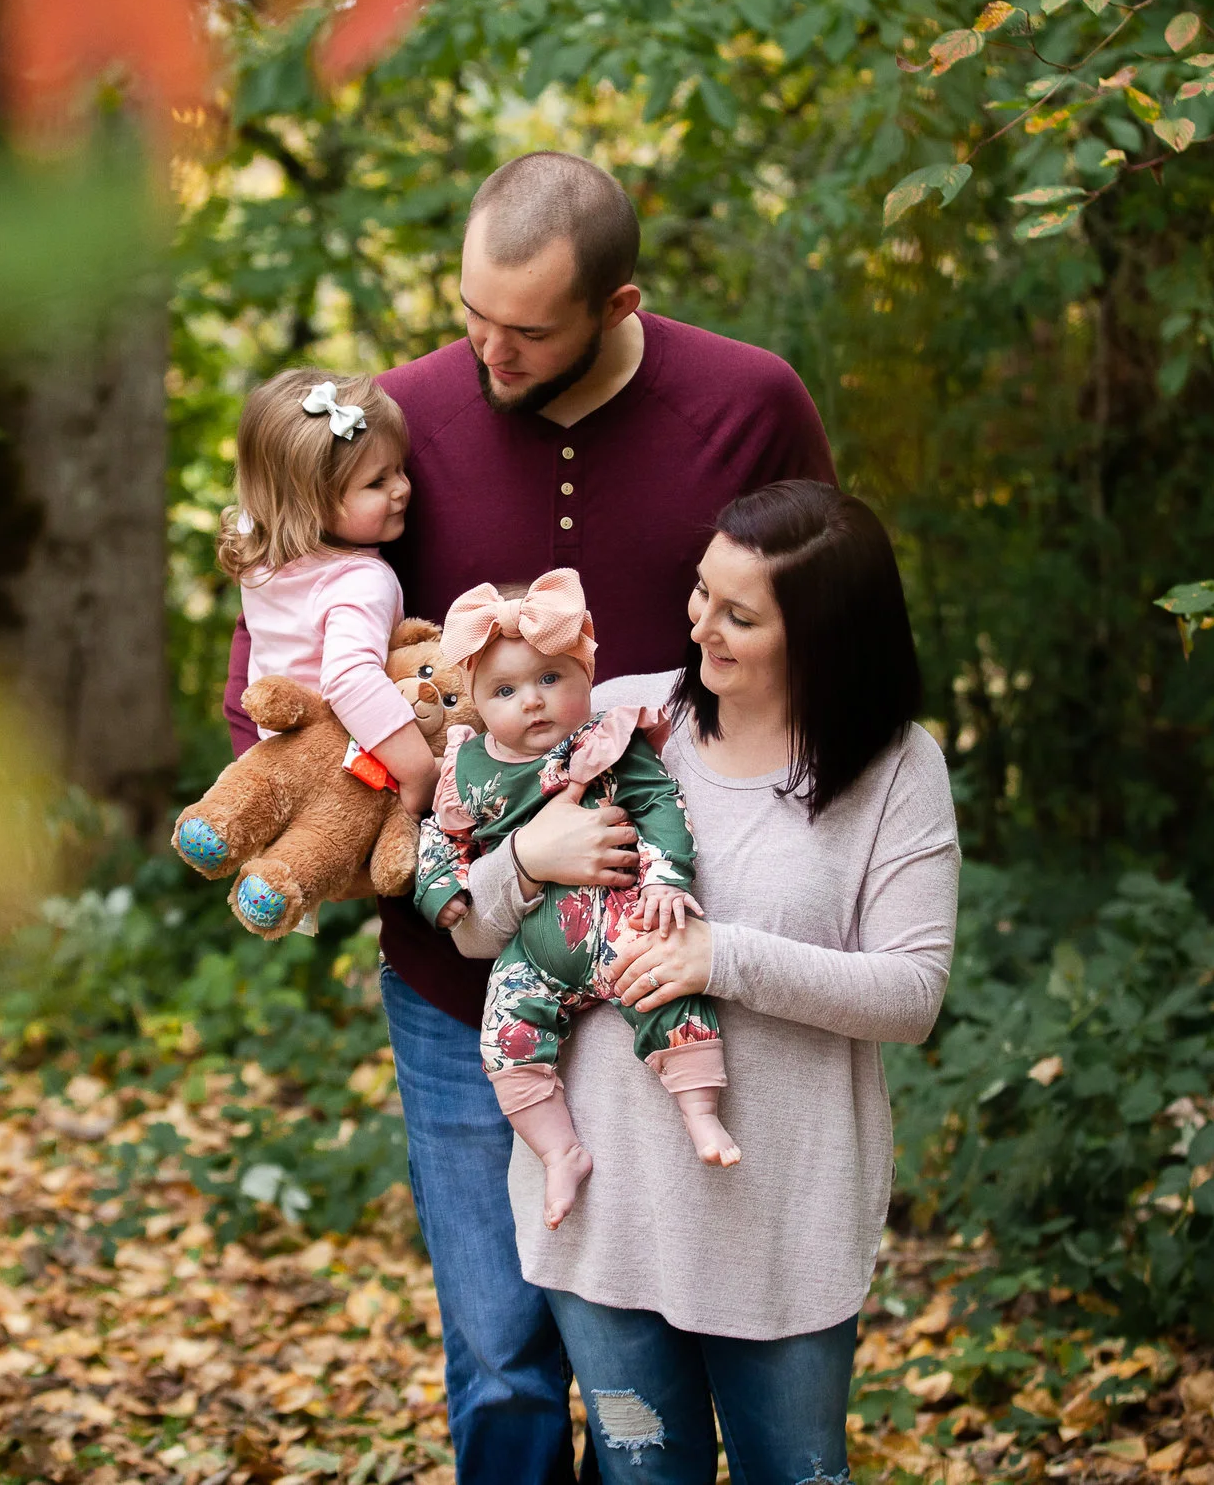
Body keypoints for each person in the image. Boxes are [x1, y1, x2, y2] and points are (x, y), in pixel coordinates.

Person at [224, 152, 832, 1484]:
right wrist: (374, 803)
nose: (484, 350)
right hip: (460, 979)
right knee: (502, 1361)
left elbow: (821, 645)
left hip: (663, 958)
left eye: (526, 327)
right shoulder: (401, 423)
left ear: (620, 303)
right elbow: (276, 679)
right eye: (469, 313)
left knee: (658, 1369)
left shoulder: (749, 403)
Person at [453, 481, 958, 1485]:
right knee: (644, 1471)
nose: (702, 627)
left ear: (822, 634)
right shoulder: (613, 718)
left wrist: (718, 956)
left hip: (781, 1222)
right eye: (700, 595)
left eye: (739, 614)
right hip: (605, 1214)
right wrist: (528, 859)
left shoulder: (897, 769)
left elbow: (912, 993)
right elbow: (473, 931)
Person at [411, 570, 734, 1233]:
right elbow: (440, 841)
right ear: (474, 698)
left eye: (551, 678)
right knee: (505, 1040)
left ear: (587, 675)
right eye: (505, 690)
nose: (531, 700)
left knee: (670, 989)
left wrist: (668, 876)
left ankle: (700, 1110)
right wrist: (439, 891)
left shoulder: (605, 740)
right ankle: (560, 1150)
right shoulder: (467, 770)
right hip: (533, 946)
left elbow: (660, 805)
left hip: (620, 921)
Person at [197, 370, 437, 930]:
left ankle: (222, 836)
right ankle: (283, 885)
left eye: (399, 468)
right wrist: (419, 773)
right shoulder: (360, 579)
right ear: (310, 505)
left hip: (273, 755)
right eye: (377, 482)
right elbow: (351, 680)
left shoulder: (263, 559)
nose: (403, 487)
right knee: (333, 842)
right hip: (343, 765)